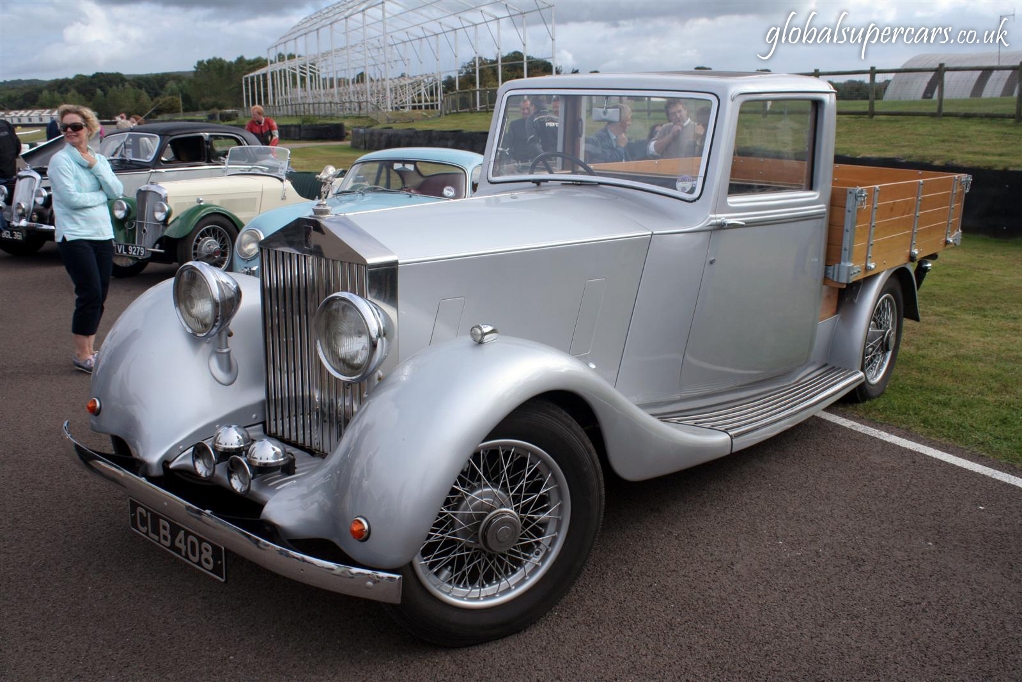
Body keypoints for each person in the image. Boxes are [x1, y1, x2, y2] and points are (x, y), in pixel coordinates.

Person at [47, 104, 124, 374]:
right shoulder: (61, 161)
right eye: (64, 127)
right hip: (75, 235)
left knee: (100, 293)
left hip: (102, 234)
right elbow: (70, 199)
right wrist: (102, 196)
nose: (69, 131)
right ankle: (81, 354)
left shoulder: (97, 159)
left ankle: (90, 350)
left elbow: (117, 189)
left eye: (75, 127)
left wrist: (96, 168)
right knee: (89, 291)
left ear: (88, 129)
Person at [504, 97, 534, 163]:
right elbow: (508, 145)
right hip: (518, 163)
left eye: (528, 109)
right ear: (520, 110)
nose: (525, 111)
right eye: (523, 109)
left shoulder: (537, 124)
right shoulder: (514, 125)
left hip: (535, 162)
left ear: (532, 108)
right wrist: (510, 160)